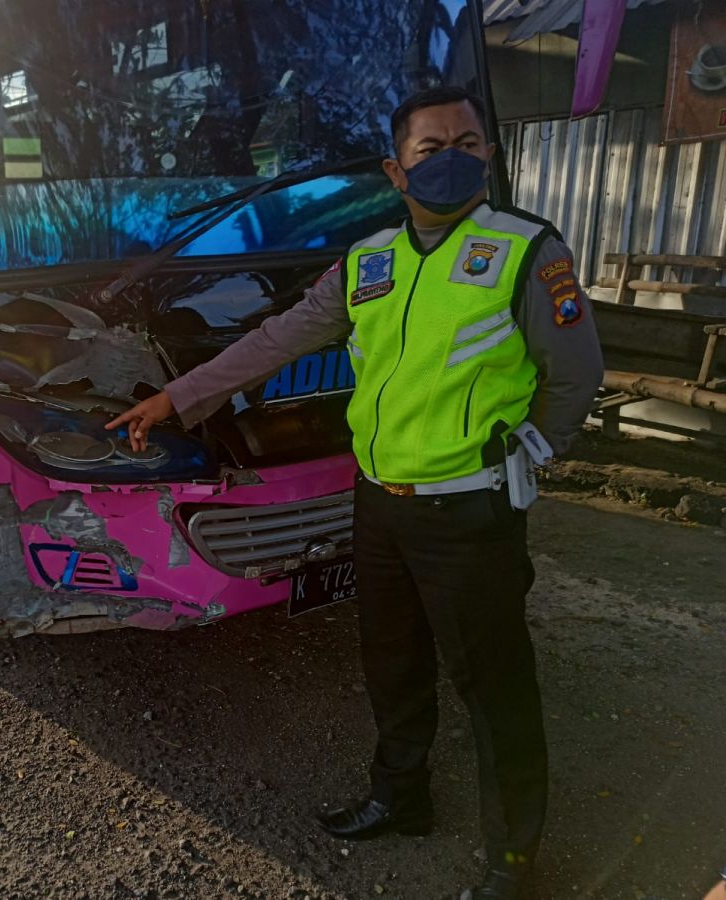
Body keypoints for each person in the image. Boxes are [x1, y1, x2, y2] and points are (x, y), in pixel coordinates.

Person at [107, 86, 603, 899]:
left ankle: (514, 859)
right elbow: (274, 341)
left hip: (469, 511)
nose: (451, 159)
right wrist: (176, 399)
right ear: (395, 170)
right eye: (430, 148)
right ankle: (400, 798)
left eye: (467, 144)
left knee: (494, 686)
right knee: (392, 664)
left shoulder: (525, 250)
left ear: (489, 156)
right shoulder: (370, 261)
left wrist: (528, 454)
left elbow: (576, 375)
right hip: (378, 505)